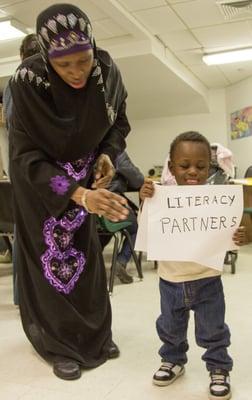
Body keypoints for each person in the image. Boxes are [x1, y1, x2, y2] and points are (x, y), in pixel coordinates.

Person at [9, 3, 130, 380]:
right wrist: (78, 194)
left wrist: (107, 155)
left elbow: (119, 121)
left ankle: (95, 336)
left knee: (88, 260)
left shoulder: (106, 71)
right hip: (43, 188)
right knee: (51, 267)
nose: (76, 72)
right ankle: (58, 344)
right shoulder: (27, 84)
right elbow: (28, 159)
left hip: (87, 180)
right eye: (64, 65)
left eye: (83, 59)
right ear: (47, 58)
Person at [139, 131, 247, 400]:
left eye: (201, 167)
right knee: (170, 326)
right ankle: (173, 360)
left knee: (213, 329)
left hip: (208, 279)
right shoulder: (159, 196)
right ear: (171, 167)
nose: (192, 172)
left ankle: (219, 367)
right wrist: (145, 199)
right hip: (170, 281)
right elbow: (147, 228)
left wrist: (242, 234)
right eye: (184, 166)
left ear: (209, 168)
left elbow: (235, 230)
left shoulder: (218, 199)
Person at [2, 33, 41, 305]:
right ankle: (28, 298)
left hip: (21, 167)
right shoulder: (26, 81)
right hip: (34, 168)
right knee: (30, 234)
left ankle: (22, 297)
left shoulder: (13, 84)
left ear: (19, 54)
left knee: (23, 233)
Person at [101, 151, 144, 283]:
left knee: (104, 231)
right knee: (138, 228)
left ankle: (94, 263)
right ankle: (121, 261)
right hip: (111, 206)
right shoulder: (115, 152)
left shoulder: (85, 150)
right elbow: (137, 179)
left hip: (93, 212)